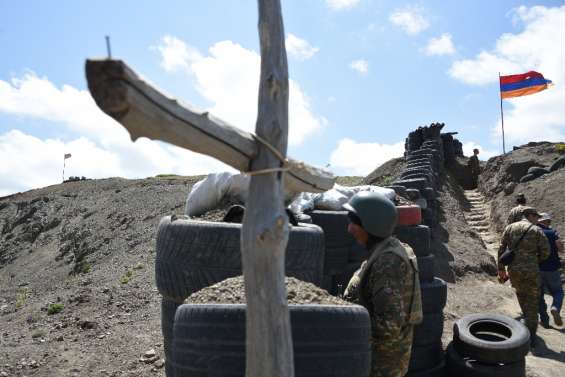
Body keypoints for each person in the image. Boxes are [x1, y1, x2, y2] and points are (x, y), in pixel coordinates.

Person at [342, 191, 422, 377]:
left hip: (380, 364)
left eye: (354, 222)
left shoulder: (388, 263)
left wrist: (343, 327)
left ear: (372, 225)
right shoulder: (387, 249)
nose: (349, 229)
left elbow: (389, 326)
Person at [497, 207, 550, 346]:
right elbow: (546, 251)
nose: (537, 219)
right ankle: (531, 338)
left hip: (514, 271)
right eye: (536, 216)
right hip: (531, 271)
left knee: (521, 296)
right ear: (529, 216)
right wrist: (535, 260)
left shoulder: (509, 228)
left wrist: (501, 270)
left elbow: (501, 250)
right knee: (532, 303)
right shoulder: (536, 229)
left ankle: (525, 324)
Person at [537, 212, 564, 328]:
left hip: (536, 268)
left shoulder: (532, 232)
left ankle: (544, 321)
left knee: (540, 294)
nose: (549, 224)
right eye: (548, 222)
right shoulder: (552, 232)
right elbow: (561, 249)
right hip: (552, 267)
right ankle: (555, 307)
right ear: (546, 222)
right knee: (558, 291)